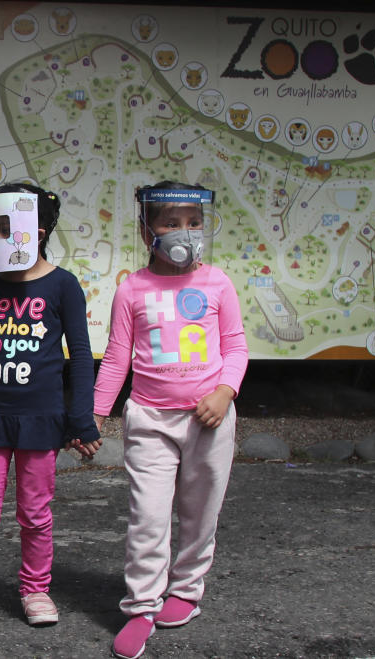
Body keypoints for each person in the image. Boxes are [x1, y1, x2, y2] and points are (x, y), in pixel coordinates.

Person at [93, 181, 248, 659]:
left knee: (201, 512)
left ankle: (185, 591)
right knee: (149, 516)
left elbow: (236, 347)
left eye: (194, 223)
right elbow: (118, 356)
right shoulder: (132, 288)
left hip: (209, 421)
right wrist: (96, 413)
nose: (186, 232)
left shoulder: (218, 282)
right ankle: (141, 605)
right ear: (147, 232)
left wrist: (224, 392)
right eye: (172, 223)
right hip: (150, 419)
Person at [0, 182, 102, 642]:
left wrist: (81, 420)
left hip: (42, 420)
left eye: (3, 229)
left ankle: (36, 590)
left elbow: (79, 352)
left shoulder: (63, 285)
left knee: (36, 514)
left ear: (33, 232)